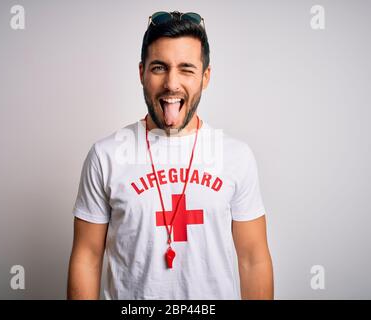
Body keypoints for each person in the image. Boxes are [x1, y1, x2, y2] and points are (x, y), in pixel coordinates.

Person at [67, 11, 273, 300]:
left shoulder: (236, 156)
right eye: (159, 67)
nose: (171, 84)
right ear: (142, 73)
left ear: (205, 77)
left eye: (186, 69)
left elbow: (253, 259)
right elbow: (87, 258)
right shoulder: (106, 156)